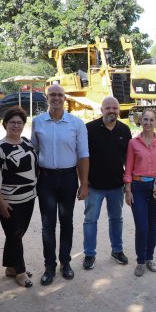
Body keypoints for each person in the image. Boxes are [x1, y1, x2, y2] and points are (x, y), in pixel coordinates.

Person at [31, 84, 89, 285]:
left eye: (59, 95)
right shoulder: (38, 122)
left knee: (67, 222)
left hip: (68, 178)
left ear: (65, 98)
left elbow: (83, 155)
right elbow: (34, 152)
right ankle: (49, 266)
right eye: (52, 95)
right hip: (45, 179)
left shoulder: (76, 123)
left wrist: (84, 184)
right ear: (47, 98)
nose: (56, 98)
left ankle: (65, 262)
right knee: (48, 225)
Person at [82, 97, 132, 270]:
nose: (112, 111)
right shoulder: (89, 129)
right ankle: (89, 254)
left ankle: (117, 251)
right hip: (94, 186)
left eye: (115, 108)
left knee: (116, 219)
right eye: (108, 108)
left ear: (119, 110)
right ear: (101, 110)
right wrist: (84, 182)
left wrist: (128, 185)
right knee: (90, 220)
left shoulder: (124, 130)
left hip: (116, 186)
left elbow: (129, 160)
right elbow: (83, 157)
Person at [0, 107, 38, 288]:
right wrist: (0, 201)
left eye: (19, 122)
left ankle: (11, 267)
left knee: (17, 234)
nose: (16, 125)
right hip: (9, 201)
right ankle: (20, 271)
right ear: (5, 124)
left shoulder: (27, 142)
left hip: (29, 197)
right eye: (12, 122)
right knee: (14, 234)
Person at [124, 109, 156, 277]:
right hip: (138, 187)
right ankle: (140, 260)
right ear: (141, 121)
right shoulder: (133, 143)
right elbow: (128, 168)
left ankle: (149, 258)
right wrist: (128, 190)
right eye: (145, 119)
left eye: (152, 119)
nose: (148, 122)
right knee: (142, 227)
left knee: (153, 225)